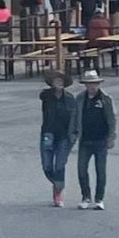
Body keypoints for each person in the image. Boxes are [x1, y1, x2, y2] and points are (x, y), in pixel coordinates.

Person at [68, 70, 116, 210]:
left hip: (101, 140)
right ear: (86, 85)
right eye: (89, 84)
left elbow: (112, 119)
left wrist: (112, 137)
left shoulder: (106, 99)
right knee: (81, 170)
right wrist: (72, 133)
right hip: (85, 140)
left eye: (94, 83)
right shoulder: (80, 99)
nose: (92, 86)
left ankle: (99, 198)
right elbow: (74, 116)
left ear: (98, 84)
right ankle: (86, 197)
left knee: (100, 171)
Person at [37, 71, 74, 206]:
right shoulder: (47, 96)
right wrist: (52, 89)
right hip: (48, 133)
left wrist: (73, 134)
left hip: (64, 135)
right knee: (47, 165)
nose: (59, 83)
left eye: (61, 81)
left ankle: (57, 193)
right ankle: (58, 183)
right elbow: (41, 95)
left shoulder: (70, 98)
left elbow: (74, 118)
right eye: (56, 81)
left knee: (59, 165)